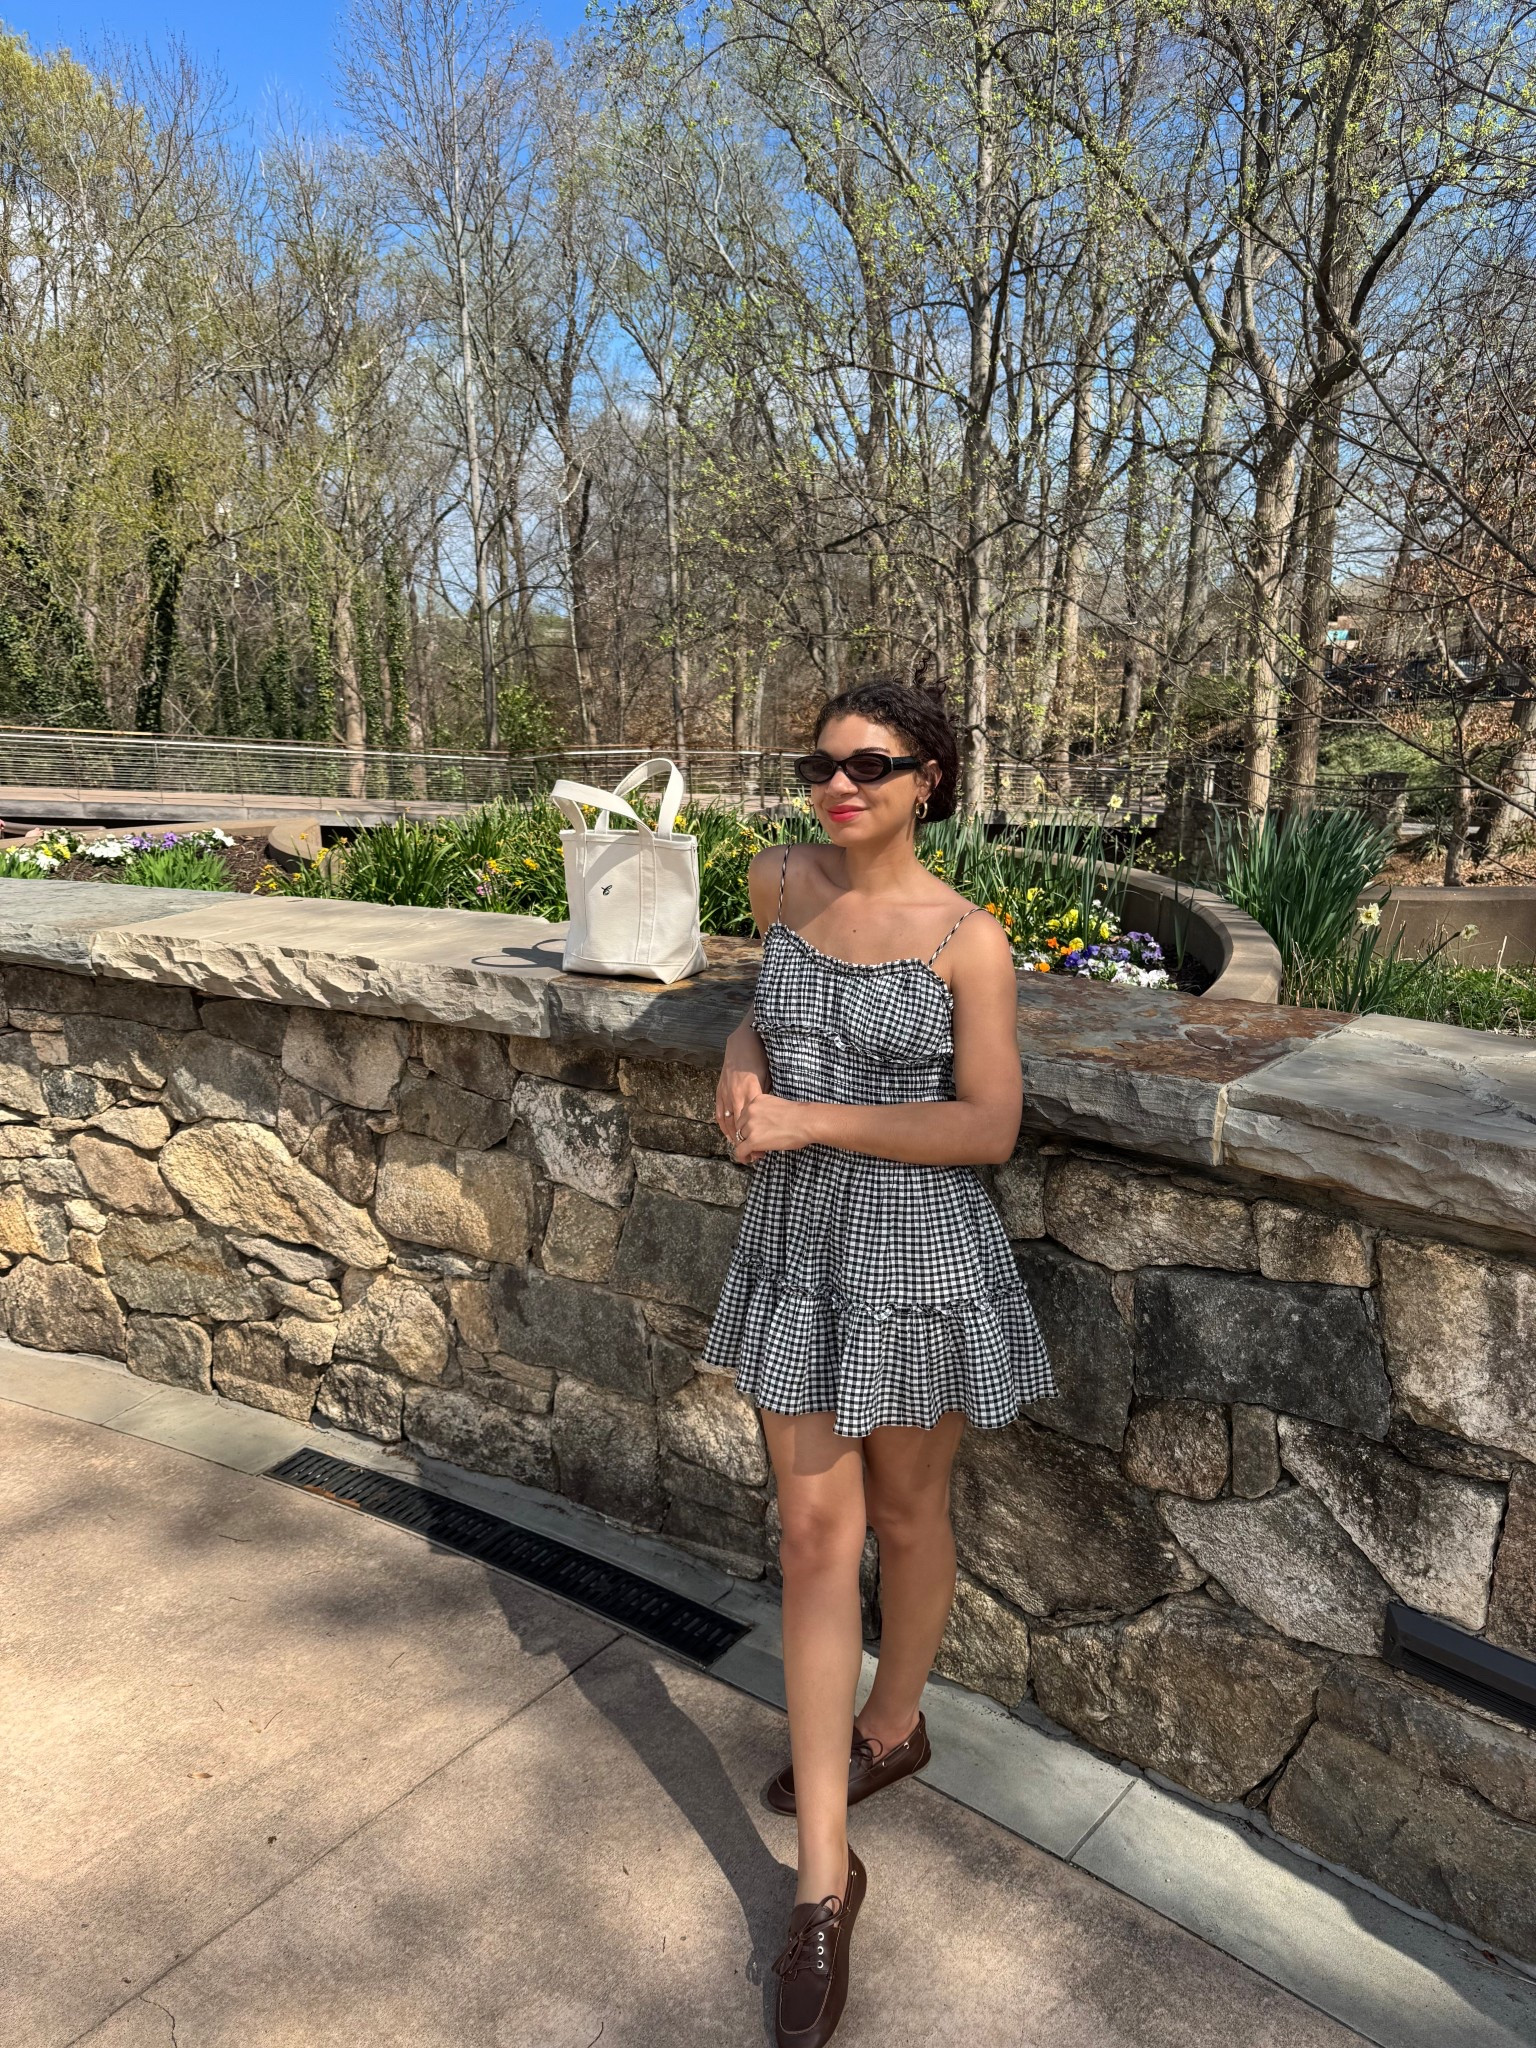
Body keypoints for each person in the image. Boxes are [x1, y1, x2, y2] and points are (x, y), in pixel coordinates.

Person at [705, 677, 1054, 2047]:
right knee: (807, 1536)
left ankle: (894, 1722)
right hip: (797, 1243)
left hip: (917, 1258)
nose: (836, 784)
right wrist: (742, 1074)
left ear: (930, 782)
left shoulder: (970, 940)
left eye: (870, 764)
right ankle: (822, 1890)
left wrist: (809, 1119)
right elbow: (759, 1013)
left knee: (906, 1515)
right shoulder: (781, 882)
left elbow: (986, 1130)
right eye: (820, 763)